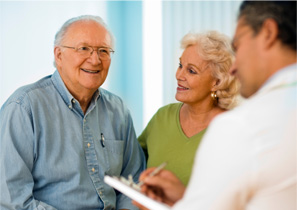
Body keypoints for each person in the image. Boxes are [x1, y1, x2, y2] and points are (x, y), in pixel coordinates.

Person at [135, 1, 296, 210]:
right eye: (180, 65)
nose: (235, 68)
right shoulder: (163, 117)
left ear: (268, 32)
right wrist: (186, 198)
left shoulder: (239, 127)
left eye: (238, 46)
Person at [0, 15, 146, 210]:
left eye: (103, 51)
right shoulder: (24, 108)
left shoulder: (118, 110)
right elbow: (11, 199)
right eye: (83, 49)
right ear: (59, 55)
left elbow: (133, 181)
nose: (95, 60)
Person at [138, 31, 239, 185]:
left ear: (217, 82)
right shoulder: (162, 117)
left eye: (191, 71)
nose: (179, 75)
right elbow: (131, 166)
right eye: (180, 65)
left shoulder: (232, 129)